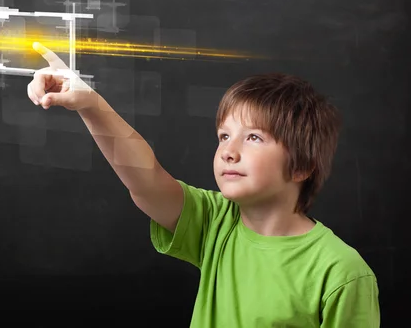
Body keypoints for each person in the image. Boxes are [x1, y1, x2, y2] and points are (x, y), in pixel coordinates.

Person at [26, 42, 380, 327]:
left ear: (302, 166)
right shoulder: (216, 221)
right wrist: (90, 104)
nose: (228, 151)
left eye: (254, 137)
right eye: (224, 136)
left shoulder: (342, 272)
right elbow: (145, 179)